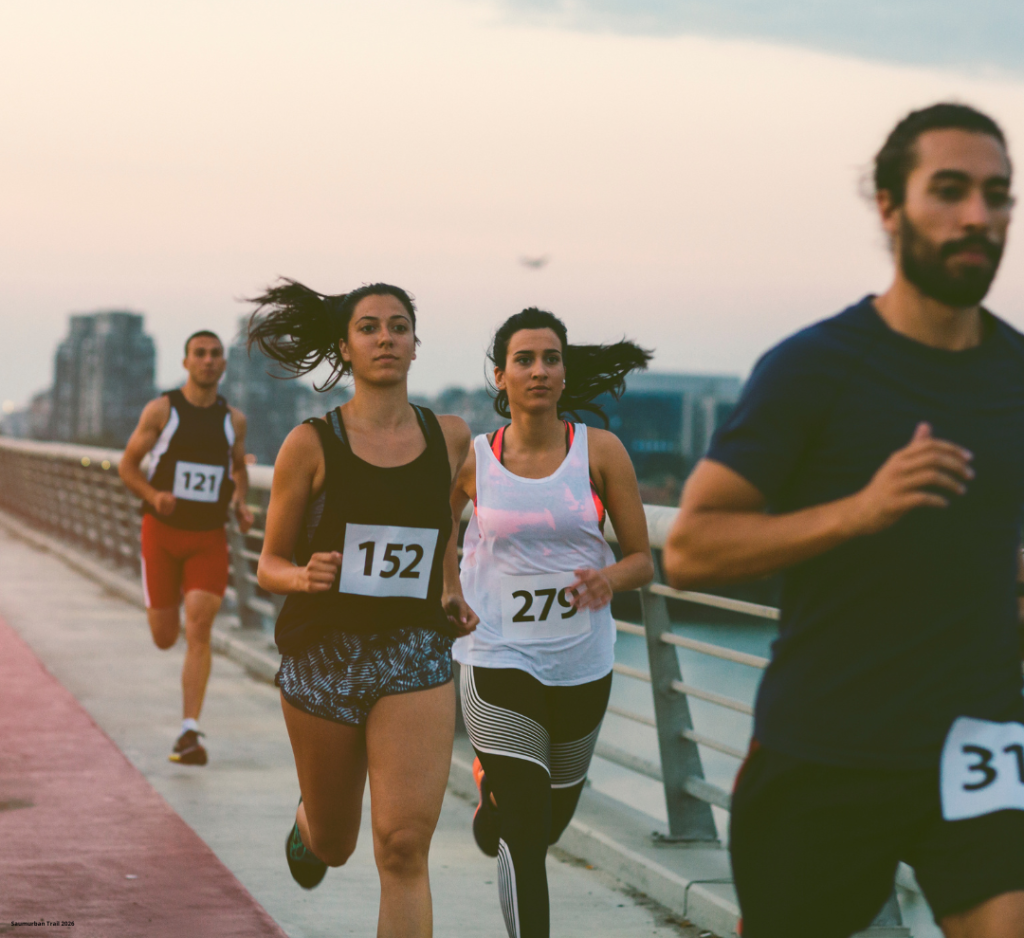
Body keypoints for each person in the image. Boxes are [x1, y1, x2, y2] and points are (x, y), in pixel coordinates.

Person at [663, 103, 1024, 938]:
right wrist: (860, 512)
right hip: (826, 752)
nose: (978, 215)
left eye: (998, 195)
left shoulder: (1015, 376)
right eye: (950, 191)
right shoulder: (814, 368)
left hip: (978, 745)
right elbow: (690, 548)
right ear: (890, 206)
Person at [250, 279, 477, 936]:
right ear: (346, 349)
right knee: (337, 843)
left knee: (403, 846)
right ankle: (309, 827)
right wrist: (303, 575)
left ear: (415, 344)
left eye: (399, 326)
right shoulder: (311, 445)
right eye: (370, 327)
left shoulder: (452, 437)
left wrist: (449, 584)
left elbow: (443, 522)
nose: (386, 337)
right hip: (323, 656)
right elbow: (269, 564)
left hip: (413, 652)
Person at [449, 307, 654, 938]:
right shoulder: (474, 459)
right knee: (527, 827)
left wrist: (608, 578)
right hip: (496, 654)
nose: (539, 370)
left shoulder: (601, 452)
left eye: (551, 358)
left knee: (549, 820)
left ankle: (493, 804)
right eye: (524, 360)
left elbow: (643, 559)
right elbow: (432, 533)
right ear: (500, 376)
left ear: (565, 373)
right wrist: (441, 593)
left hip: (581, 661)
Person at [120, 330, 253, 766]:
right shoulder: (162, 410)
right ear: (186, 362)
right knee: (165, 637)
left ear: (224, 365)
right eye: (200, 353)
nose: (209, 361)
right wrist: (153, 495)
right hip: (161, 532)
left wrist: (240, 502)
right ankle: (169, 600)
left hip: (208, 537)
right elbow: (128, 465)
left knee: (200, 629)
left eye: (216, 354)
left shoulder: (233, 420)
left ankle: (190, 731)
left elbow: (237, 467)